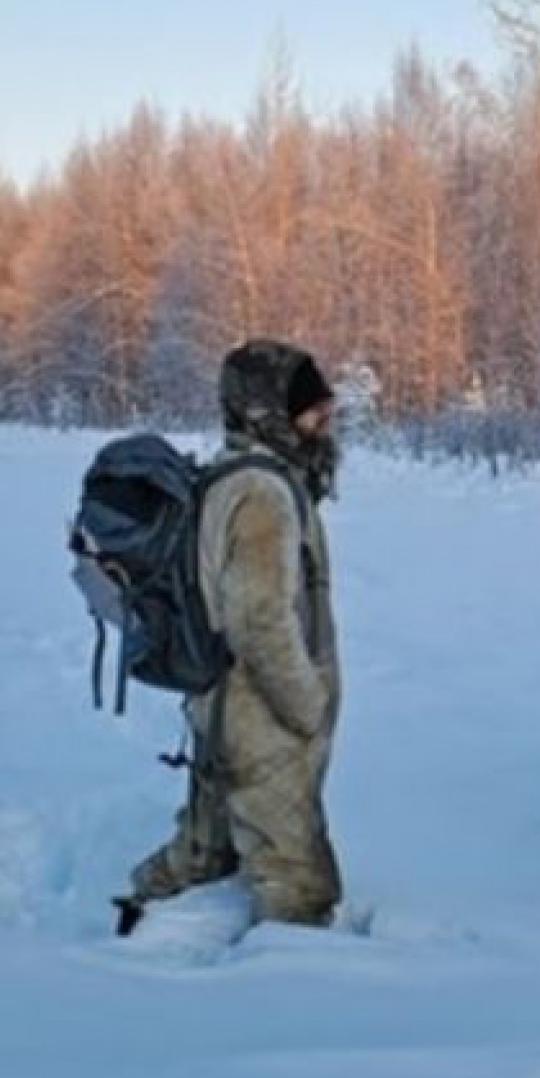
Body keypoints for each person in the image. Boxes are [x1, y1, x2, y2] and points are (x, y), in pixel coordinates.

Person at [119, 339, 344, 932]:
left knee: (204, 850)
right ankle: (280, 1003)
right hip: (260, 718)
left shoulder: (237, 476)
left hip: (222, 706)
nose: (326, 419)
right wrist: (306, 704)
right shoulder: (263, 494)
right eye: (312, 409)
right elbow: (259, 620)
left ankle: (139, 919)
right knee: (301, 888)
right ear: (269, 412)